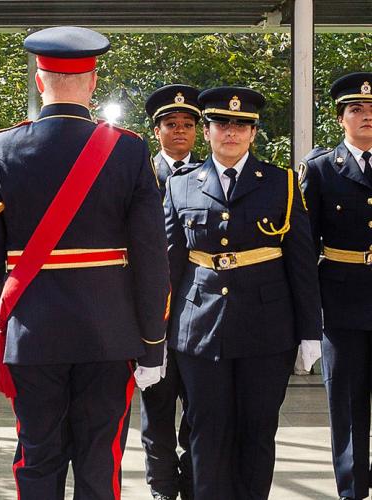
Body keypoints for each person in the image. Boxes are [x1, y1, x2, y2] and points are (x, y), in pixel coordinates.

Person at [0, 26, 170, 500]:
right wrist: (152, 344)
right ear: (93, 81)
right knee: (101, 461)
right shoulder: (128, 149)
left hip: (33, 335)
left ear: (40, 82)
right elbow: (150, 257)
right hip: (109, 335)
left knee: (37, 458)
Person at [163, 86, 322, 500]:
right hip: (197, 327)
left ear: (253, 132)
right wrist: (155, 332)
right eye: (222, 124)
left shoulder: (281, 183)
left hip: (267, 330)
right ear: (209, 131)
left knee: (257, 429)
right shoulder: (181, 185)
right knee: (206, 428)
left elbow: (301, 264)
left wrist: (309, 331)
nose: (231, 132)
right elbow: (169, 265)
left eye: (241, 125)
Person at [300, 71, 372, 500]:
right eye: (357, 110)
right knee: (345, 400)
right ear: (341, 119)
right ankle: (352, 486)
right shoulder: (322, 169)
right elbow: (305, 248)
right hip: (341, 299)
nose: (366, 117)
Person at [141, 84, 202, 500]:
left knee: (199, 404)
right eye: (170, 124)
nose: (179, 131)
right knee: (157, 405)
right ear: (156, 130)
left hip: (197, 308)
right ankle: (162, 485)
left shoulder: (209, 174)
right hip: (152, 309)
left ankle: (194, 480)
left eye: (187, 124)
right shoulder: (140, 173)